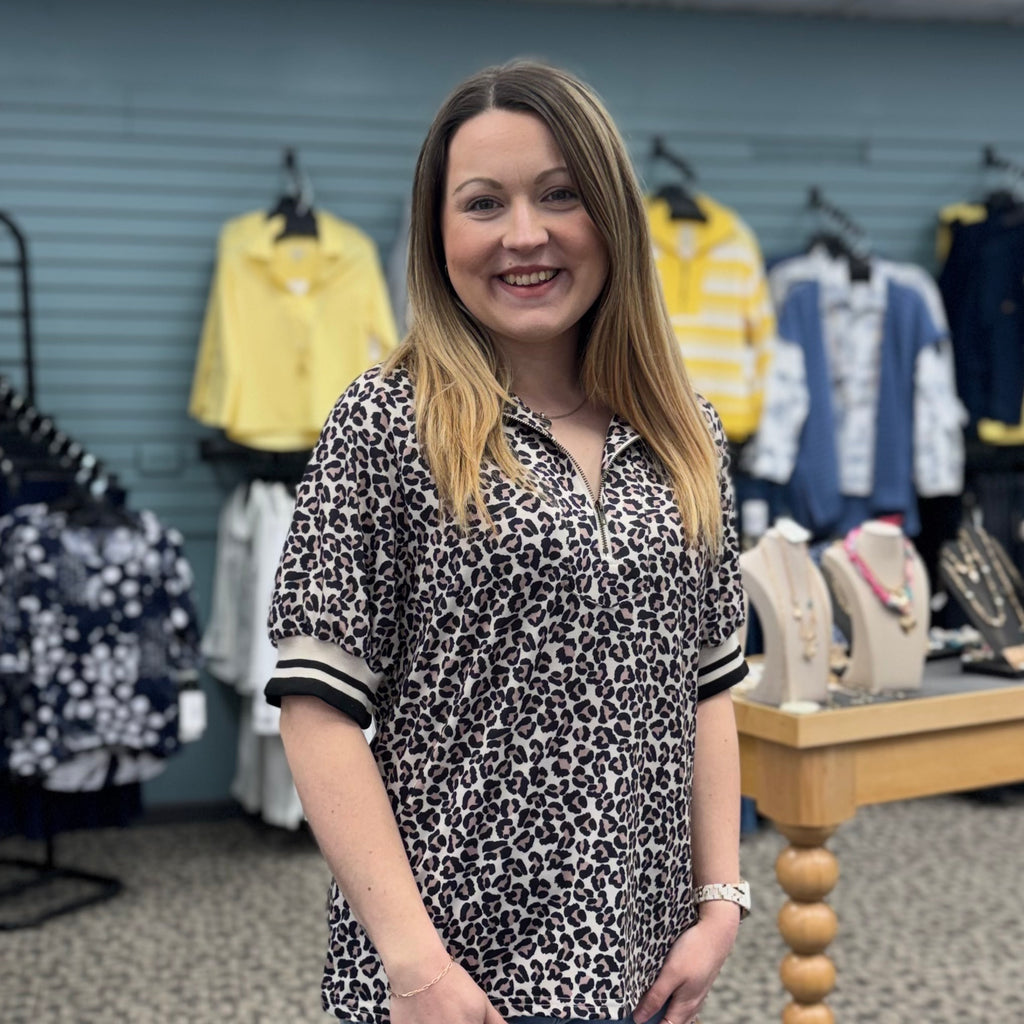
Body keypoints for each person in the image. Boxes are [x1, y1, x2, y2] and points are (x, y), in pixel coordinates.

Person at [265, 59, 751, 1024]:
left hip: (641, 964)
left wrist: (720, 904)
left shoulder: (684, 433)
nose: (524, 235)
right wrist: (416, 967)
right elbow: (315, 711)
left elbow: (707, 686)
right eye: (483, 203)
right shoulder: (386, 422)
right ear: (438, 231)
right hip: (451, 973)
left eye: (560, 195)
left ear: (612, 214)